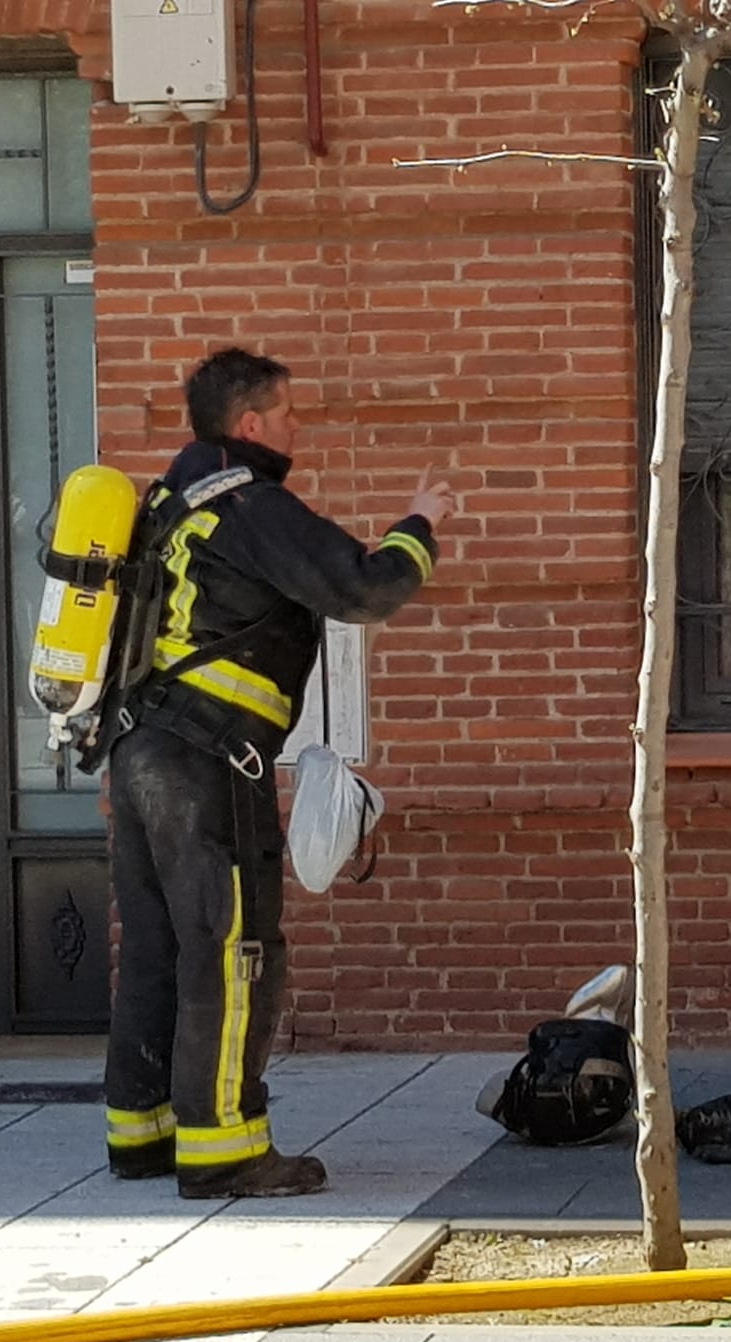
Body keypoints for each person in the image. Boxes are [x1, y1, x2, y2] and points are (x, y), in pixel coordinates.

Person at [103, 347, 455, 1198]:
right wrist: (420, 521)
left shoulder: (166, 503)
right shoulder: (248, 505)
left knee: (155, 944)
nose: (300, 426)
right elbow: (363, 587)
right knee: (233, 947)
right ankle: (225, 1148)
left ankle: (141, 1131)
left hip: (138, 749)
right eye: (289, 412)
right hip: (208, 759)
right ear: (249, 423)